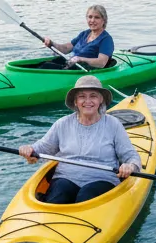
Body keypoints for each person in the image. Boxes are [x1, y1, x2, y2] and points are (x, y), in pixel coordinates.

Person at [18, 74, 141, 205]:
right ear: (75, 101)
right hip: (65, 177)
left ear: (101, 100)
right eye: (82, 96)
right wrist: (29, 149)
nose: (87, 101)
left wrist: (130, 166)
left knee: (86, 195)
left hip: (103, 179)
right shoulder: (62, 123)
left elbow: (131, 156)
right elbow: (42, 148)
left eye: (93, 96)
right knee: (59, 195)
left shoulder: (113, 124)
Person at [40, 4, 114, 69]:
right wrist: (51, 43)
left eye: (97, 17)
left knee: (46, 66)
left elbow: (101, 63)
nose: (92, 20)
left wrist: (80, 59)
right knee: (44, 63)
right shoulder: (85, 34)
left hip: (85, 71)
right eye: (90, 17)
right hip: (71, 65)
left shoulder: (106, 40)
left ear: (103, 20)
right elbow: (65, 49)